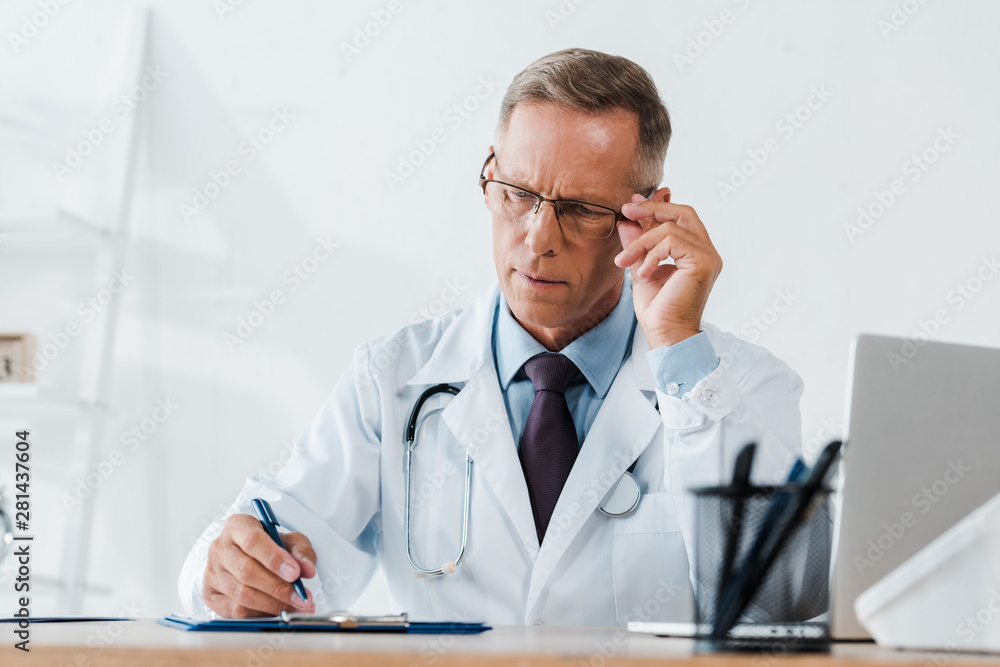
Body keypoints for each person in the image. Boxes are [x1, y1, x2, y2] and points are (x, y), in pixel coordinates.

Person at [178, 48, 803, 626]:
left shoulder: (736, 383)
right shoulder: (391, 380)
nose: (538, 238)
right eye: (518, 194)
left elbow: (783, 600)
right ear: (489, 177)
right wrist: (232, 572)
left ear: (648, 215)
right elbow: (271, 553)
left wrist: (679, 351)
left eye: (582, 209)